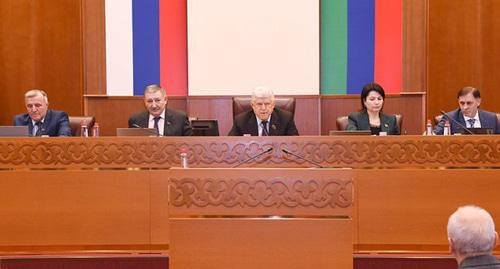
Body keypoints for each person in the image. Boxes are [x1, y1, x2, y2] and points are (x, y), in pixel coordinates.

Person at [228, 87, 299, 136]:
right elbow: (230, 145)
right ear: (253, 105)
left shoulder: (286, 119)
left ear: (273, 105)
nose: (263, 108)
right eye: (259, 104)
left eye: (267, 104)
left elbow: (295, 145)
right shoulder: (241, 121)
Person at [434, 87, 500, 135]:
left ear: (478, 102)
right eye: (462, 103)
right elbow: (434, 136)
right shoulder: (449, 118)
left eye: (469, 103)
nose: (465, 107)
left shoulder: (492, 118)